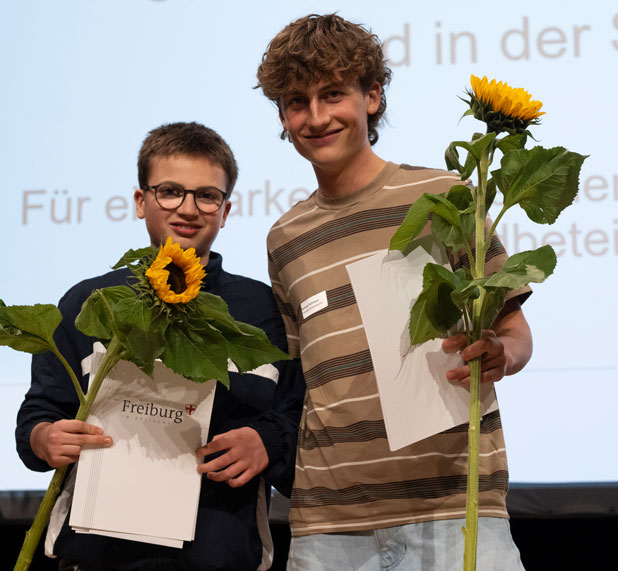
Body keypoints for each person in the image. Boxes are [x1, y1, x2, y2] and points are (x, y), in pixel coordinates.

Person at [256, 14, 532, 570]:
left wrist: (503, 355)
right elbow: (299, 378)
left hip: (455, 508)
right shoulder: (285, 238)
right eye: (296, 102)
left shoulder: (443, 195)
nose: (316, 117)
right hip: (327, 524)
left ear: (372, 96)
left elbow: (513, 329)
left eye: (333, 94)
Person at [16, 122, 305, 571]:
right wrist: (44, 438)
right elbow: (37, 416)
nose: (188, 208)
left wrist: (268, 440)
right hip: (97, 558)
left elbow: (298, 414)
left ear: (225, 210)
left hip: (220, 556)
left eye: (207, 195)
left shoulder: (266, 311)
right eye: (170, 191)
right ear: (140, 201)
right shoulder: (89, 304)